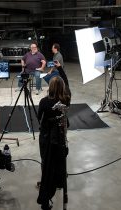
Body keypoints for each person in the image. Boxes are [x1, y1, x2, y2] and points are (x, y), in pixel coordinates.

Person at [37, 76, 70, 210]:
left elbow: (40, 118)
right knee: (59, 161)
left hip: (46, 137)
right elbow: (67, 86)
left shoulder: (44, 101)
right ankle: (59, 182)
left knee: (47, 163)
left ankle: (47, 189)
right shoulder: (65, 100)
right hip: (60, 137)